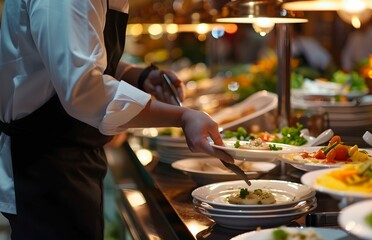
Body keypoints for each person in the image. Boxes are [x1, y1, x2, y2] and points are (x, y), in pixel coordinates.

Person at [0, 1, 233, 239]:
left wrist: (137, 76)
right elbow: (83, 89)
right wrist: (183, 117)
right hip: (42, 164)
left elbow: (79, 49)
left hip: (71, 153)